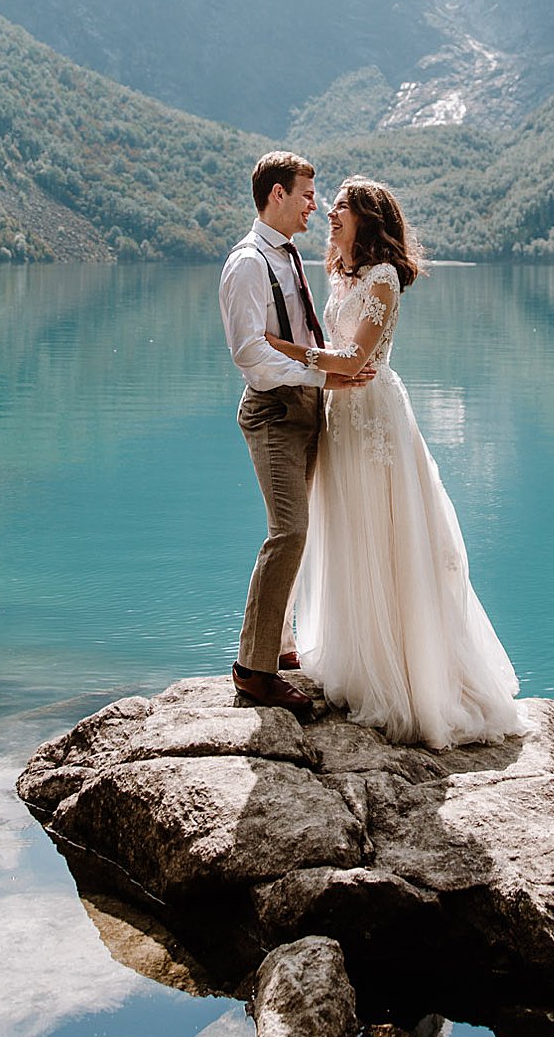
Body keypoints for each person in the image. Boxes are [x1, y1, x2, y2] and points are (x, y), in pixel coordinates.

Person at [264, 177, 523, 749]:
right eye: (328, 207)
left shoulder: (382, 280)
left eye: (340, 208)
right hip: (341, 415)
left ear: (367, 218)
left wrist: (277, 349)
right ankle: (357, 659)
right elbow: (338, 356)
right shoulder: (339, 275)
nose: (328, 215)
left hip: (375, 418)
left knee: (385, 534)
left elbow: (357, 356)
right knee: (348, 532)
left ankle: (402, 676)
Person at [217, 151, 370, 715]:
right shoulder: (248, 262)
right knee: (288, 532)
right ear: (276, 194)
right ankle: (252, 669)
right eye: (307, 194)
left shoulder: (287, 256)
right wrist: (321, 374)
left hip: (304, 407)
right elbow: (249, 352)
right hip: (274, 411)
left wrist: (324, 377)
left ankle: (279, 645)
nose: (316, 205)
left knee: (297, 531)